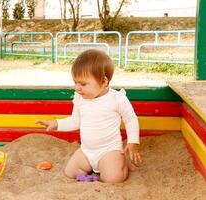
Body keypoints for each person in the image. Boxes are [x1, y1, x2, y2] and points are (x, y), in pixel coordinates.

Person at [36, 49, 141, 183]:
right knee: (70, 172)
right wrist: (56, 124)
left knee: (113, 178)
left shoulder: (117, 98)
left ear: (103, 82)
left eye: (83, 84)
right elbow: (75, 121)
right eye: (75, 82)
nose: (77, 88)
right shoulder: (80, 98)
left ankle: (122, 163)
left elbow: (131, 119)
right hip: (87, 151)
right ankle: (89, 177)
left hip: (109, 151)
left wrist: (133, 142)